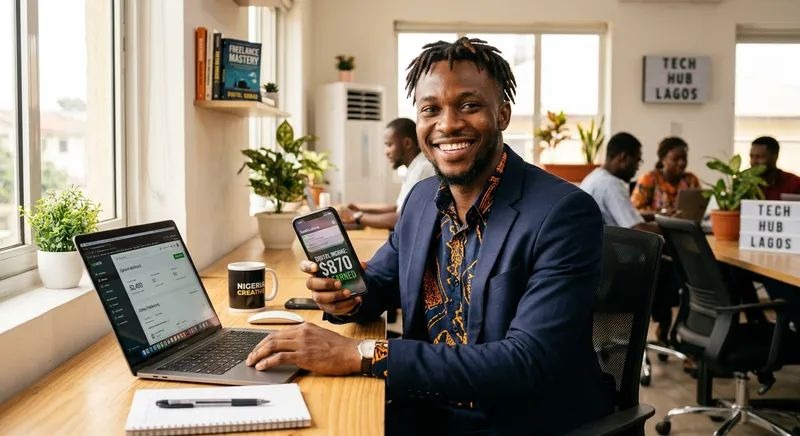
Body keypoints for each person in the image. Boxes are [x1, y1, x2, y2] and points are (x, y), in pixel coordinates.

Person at [246, 37, 614, 435]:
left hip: (516, 420)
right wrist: (344, 296)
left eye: (469, 106)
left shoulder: (563, 214)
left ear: (503, 114)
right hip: (425, 405)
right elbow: (381, 285)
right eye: (431, 109)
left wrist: (361, 353)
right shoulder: (423, 200)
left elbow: (526, 362)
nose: (448, 123)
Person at [339, 118, 435, 230]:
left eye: (389, 145)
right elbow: (398, 208)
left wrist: (357, 216)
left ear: (407, 143)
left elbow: (401, 219)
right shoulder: (415, 167)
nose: (387, 152)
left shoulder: (421, 169)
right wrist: (362, 211)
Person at [581, 131, 656, 233]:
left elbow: (627, 216)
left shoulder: (594, 177)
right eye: (637, 161)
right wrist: (670, 230)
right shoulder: (611, 184)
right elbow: (639, 230)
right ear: (623, 158)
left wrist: (656, 216)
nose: (637, 167)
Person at [631, 136, 700, 217]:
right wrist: (661, 214)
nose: (682, 163)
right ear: (663, 159)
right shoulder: (649, 178)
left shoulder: (691, 179)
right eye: (675, 159)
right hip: (654, 227)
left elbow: (698, 208)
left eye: (684, 158)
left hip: (685, 227)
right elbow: (634, 212)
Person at [749, 136, 800, 200]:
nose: (753, 161)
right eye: (751, 156)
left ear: (775, 156)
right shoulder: (742, 182)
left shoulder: (794, 183)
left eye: (759, 157)